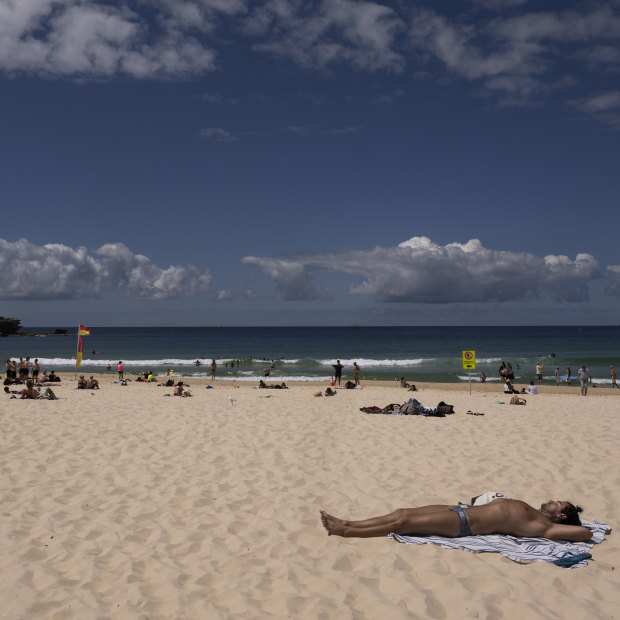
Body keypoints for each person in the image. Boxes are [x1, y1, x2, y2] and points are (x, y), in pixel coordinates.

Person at [320, 497, 591, 542]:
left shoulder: (544, 526)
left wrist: (576, 527)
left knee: (402, 525)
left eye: (558, 503)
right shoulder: (535, 511)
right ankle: (347, 522)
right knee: (401, 513)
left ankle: (345, 532)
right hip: (458, 508)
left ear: (561, 515)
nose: (553, 499)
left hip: (463, 524)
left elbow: (586, 534)